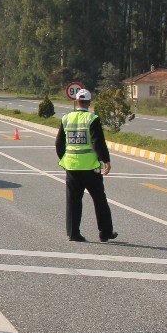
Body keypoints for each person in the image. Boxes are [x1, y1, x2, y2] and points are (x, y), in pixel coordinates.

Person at [55, 88, 117, 243]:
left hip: (72, 167)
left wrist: (64, 159)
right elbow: (98, 143)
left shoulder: (66, 118)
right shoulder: (92, 119)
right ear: (89, 103)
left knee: (73, 200)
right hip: (90, 168)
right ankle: (105, 232)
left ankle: (73, 233)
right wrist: (106, 161)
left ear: (76, 102)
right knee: (99, 199)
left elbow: (59, 143)